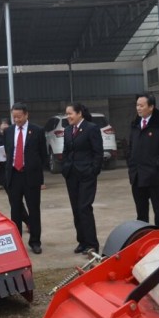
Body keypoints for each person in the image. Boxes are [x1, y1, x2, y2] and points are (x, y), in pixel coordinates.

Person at [3, 102, 48, 254]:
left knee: (34, 209)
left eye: (19, 116)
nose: (17, 120)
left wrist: (39, 176)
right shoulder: (8, 131)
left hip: (31, 176)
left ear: (26, 114)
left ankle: (35, 242)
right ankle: (17, 243)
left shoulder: (37, 131)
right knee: (15, 210)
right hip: (14, 175)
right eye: (14, 117)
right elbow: (8, 152)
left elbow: (43, 155)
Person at [126, 92, 159, 230]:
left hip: (155, 178)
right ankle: (144, 238)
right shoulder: (135, 124)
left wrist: (156, 166)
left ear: (151, 106)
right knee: (141, 215)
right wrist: (131, 165)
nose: (138, 108)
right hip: (137, 177)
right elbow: (130, 147)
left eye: (142, 105)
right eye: (137, 105)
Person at [61, 103, 103, 254]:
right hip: (71, 175)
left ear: (79, 113)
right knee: (76, 209)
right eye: (66, 114)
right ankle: (82, 242)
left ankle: (92, 244)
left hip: (86, 175)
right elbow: (66, 151)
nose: (68, 116)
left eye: (70, 113)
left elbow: (98, 152)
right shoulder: (67, 130)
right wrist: (65, 167)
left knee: (84, 208)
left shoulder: (91, 128)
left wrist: (93, 171)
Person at [0, 118, 30, 229]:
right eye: (2, 129)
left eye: (6, 129)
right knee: (14, 200)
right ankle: (26, 221)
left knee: (16, 201)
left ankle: (27, 221)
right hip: (4, 173)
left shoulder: (14, 137)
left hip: (15, 171)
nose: (4, 131)